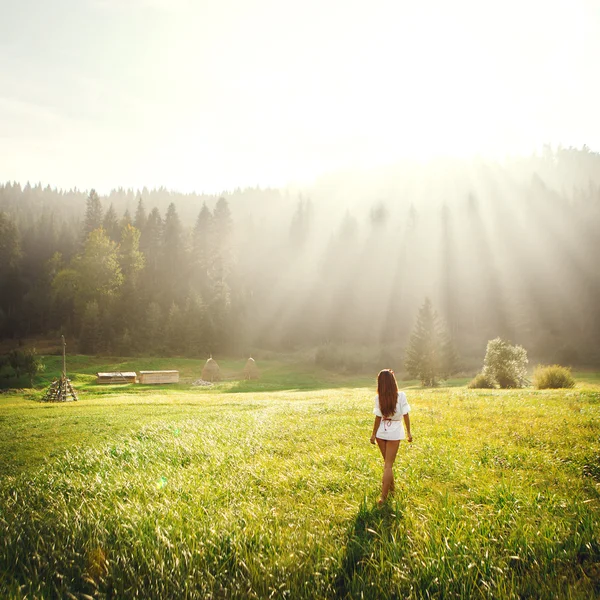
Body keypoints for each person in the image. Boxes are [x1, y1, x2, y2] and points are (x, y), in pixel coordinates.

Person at [370, 369, 412, 505]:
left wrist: (373, 434)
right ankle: (383, 497)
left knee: (387, 465)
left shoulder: (378, 397)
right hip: (394, 431)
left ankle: (392, 491)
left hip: (381, 432)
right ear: (393, 381)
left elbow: (377, 417)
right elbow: (406, 415)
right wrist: (409, 433)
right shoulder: (401, 396)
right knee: (388, 465)